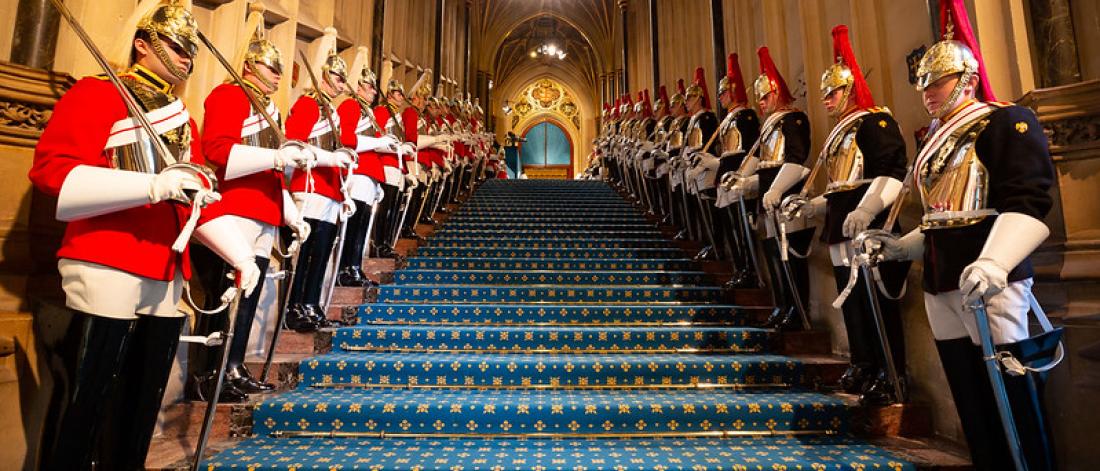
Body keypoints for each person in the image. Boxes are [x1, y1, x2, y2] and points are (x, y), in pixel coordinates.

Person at [28, 1, 259, 468]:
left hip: (164, 268)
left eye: (191, 51)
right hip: (106, 256)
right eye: (177, 46)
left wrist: (241, 254)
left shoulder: (183, 118)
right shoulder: (98, 94)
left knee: (138, 405)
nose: (186, 58)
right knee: (86, 399)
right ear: (142, 44)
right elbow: (53, 173)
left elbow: (193, 201)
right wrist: (152, 185)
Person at [877, 0, 1057, 467]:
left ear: (968, 79)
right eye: (923, 85)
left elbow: (1030, 203)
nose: (928, 93)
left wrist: (996, 261)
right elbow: (941, 216)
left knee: (1011, 389)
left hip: (988, 273)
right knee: (968, 391)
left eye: (937, 82)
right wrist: (903, 247)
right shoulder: (934, 138)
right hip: (941, 277)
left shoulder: (1004, 121)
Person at [189, 5, 313, 402]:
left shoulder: (268, 108)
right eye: (271, 68)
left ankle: (235, 365)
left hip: (264, 208)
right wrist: (278, 158)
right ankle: (212, 374)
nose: (278, 76)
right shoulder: (230, 95)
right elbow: (218, 149)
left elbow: (274, 172)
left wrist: (288, 211)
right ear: (249, 66)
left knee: (250, 296)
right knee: (227, 295)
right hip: (236, 206)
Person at [795, 25, 909, 404]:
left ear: (850, 90)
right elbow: (838, 187)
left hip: (868, 224)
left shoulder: (873, 122)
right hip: (841, 226)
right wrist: (811, 206)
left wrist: (867, 209)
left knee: (876, 301)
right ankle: (863, 362)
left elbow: (891, 171)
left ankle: (891, 373)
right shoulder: (838, 133)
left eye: (833, 93)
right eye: (824, 94)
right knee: (852, 301)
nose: (826, 100)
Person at [732, 46, 812, 330]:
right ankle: (782, 305)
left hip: (788, 200)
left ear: (777, 92)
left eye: (765, 96)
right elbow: (764, 163)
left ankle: (797, 310)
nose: (761, 102)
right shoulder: (769, 125)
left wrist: (777, 190)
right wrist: (746, 181)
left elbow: (797, 160)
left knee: (791, 262)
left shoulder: (793, 118)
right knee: (775, 260)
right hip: (768, 202)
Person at [283, 27, 357, 332]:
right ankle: (294, 307)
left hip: (330, 189)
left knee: (322, 251)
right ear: (323, 76)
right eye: (337, 78)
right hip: (309, 186)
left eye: (342, 79)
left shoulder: (332, 111)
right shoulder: (307, 104)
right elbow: (295, 145)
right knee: (306, 254)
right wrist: (329, 160)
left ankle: (311, 303)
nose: (341, 84)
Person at [335, 46, 399, 286]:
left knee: (362, 226)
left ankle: (354, 266)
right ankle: (347, 269)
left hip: (370, 174)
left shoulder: (368, 112)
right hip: (358, 172)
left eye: (373, 87)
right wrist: (379, 142)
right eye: (369, 86)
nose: (374, 91)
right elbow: (347, 139)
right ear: (358, 87)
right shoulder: (350, 106)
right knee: (353, 227)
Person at [682, 68, 721, 260]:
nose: (686, 102)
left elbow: (708, 145)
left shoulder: (706, 118)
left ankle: (714, 246)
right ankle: (705, 242)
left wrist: (697, 162)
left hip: (706, 170)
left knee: (711, 212)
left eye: (689, 99)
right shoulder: (693, 120)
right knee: (699, 210)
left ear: (698, 99)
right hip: (694, 169)